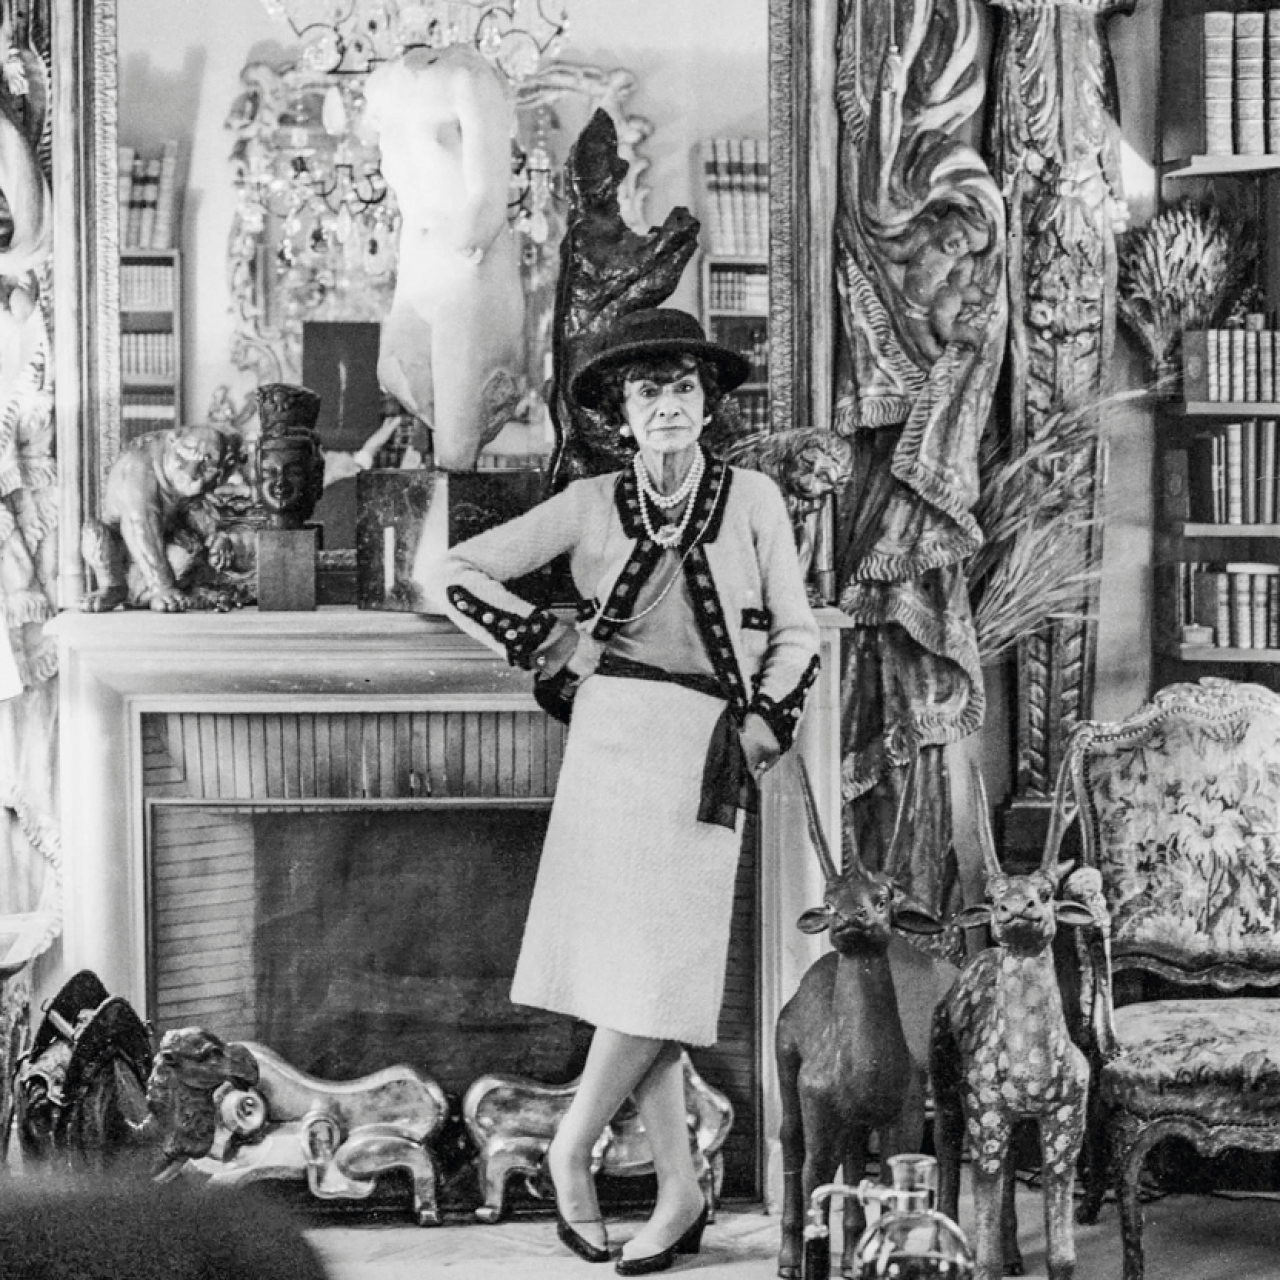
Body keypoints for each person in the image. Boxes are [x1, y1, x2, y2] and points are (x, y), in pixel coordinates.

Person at [428, 308, 821, 1274]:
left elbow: (797, 632)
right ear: (620, 413)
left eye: (684, 387)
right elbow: (454, 571)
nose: (669, 405)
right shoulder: (589, 503)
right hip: (609, 739)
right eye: (649, 391)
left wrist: (767, 720)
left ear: (709, 404)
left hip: (706, 747)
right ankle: (681, 1189)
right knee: (632, 978)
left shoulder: (756, 499)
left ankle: (571, 1147)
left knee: (660, 973)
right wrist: (546, 639)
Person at [363, 44, 525, 472]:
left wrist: (465, 251)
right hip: (418, 273)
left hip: (469, 271)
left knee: (455, 451)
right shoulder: (384, 90)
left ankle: (458, 501)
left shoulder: (468, 79)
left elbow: (489, 196)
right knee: (397, 372)